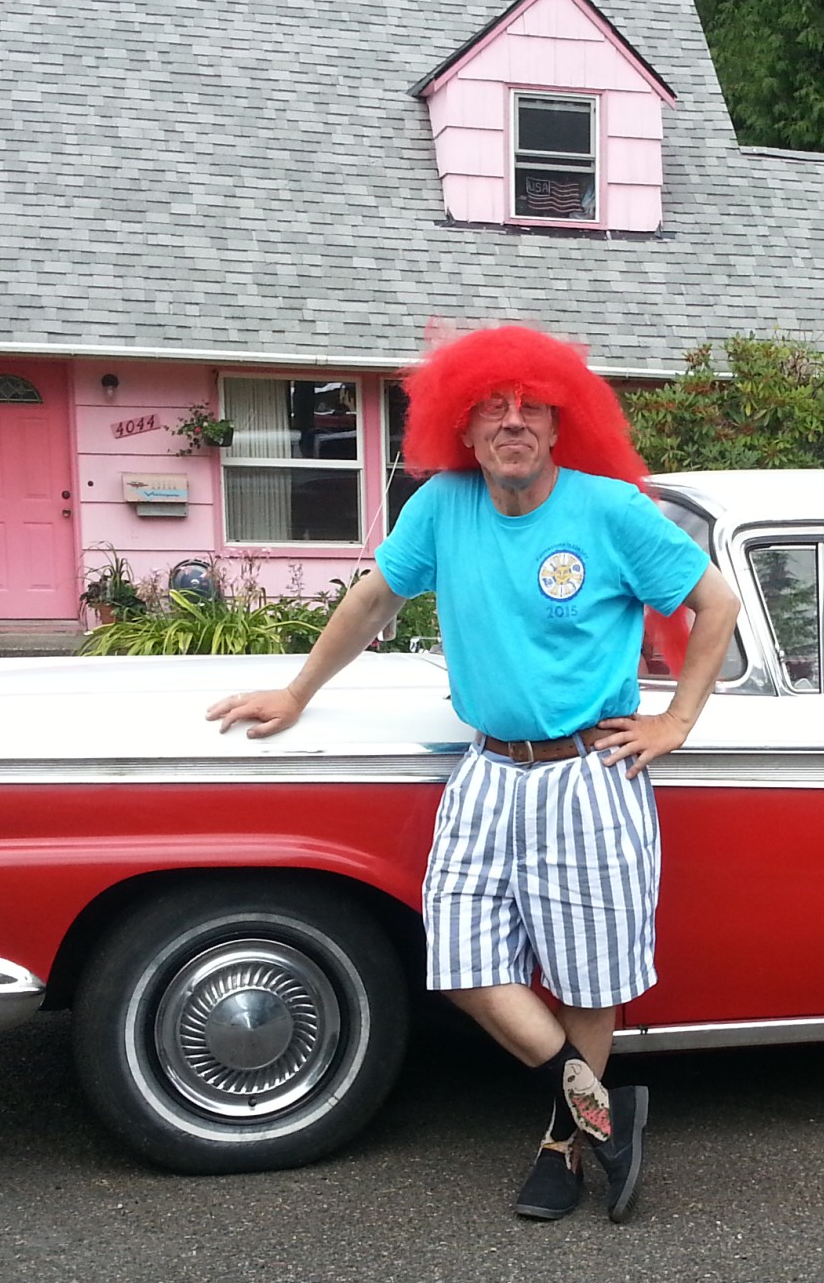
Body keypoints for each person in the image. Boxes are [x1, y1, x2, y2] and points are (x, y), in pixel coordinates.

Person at [208, 326, 741, 1224]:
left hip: (588, 769)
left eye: (531, 407)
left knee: (585, 980)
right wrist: (298, 692)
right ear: (462, 425)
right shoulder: (442, 506)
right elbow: (375, 596)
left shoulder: (610, 511)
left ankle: (564, 1147)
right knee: (458, 959)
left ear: (558, 422)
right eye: (493, 408)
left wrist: (677, 720)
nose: (512, 422)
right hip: (488, 768)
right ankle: (606, 1114)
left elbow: (715, 601)